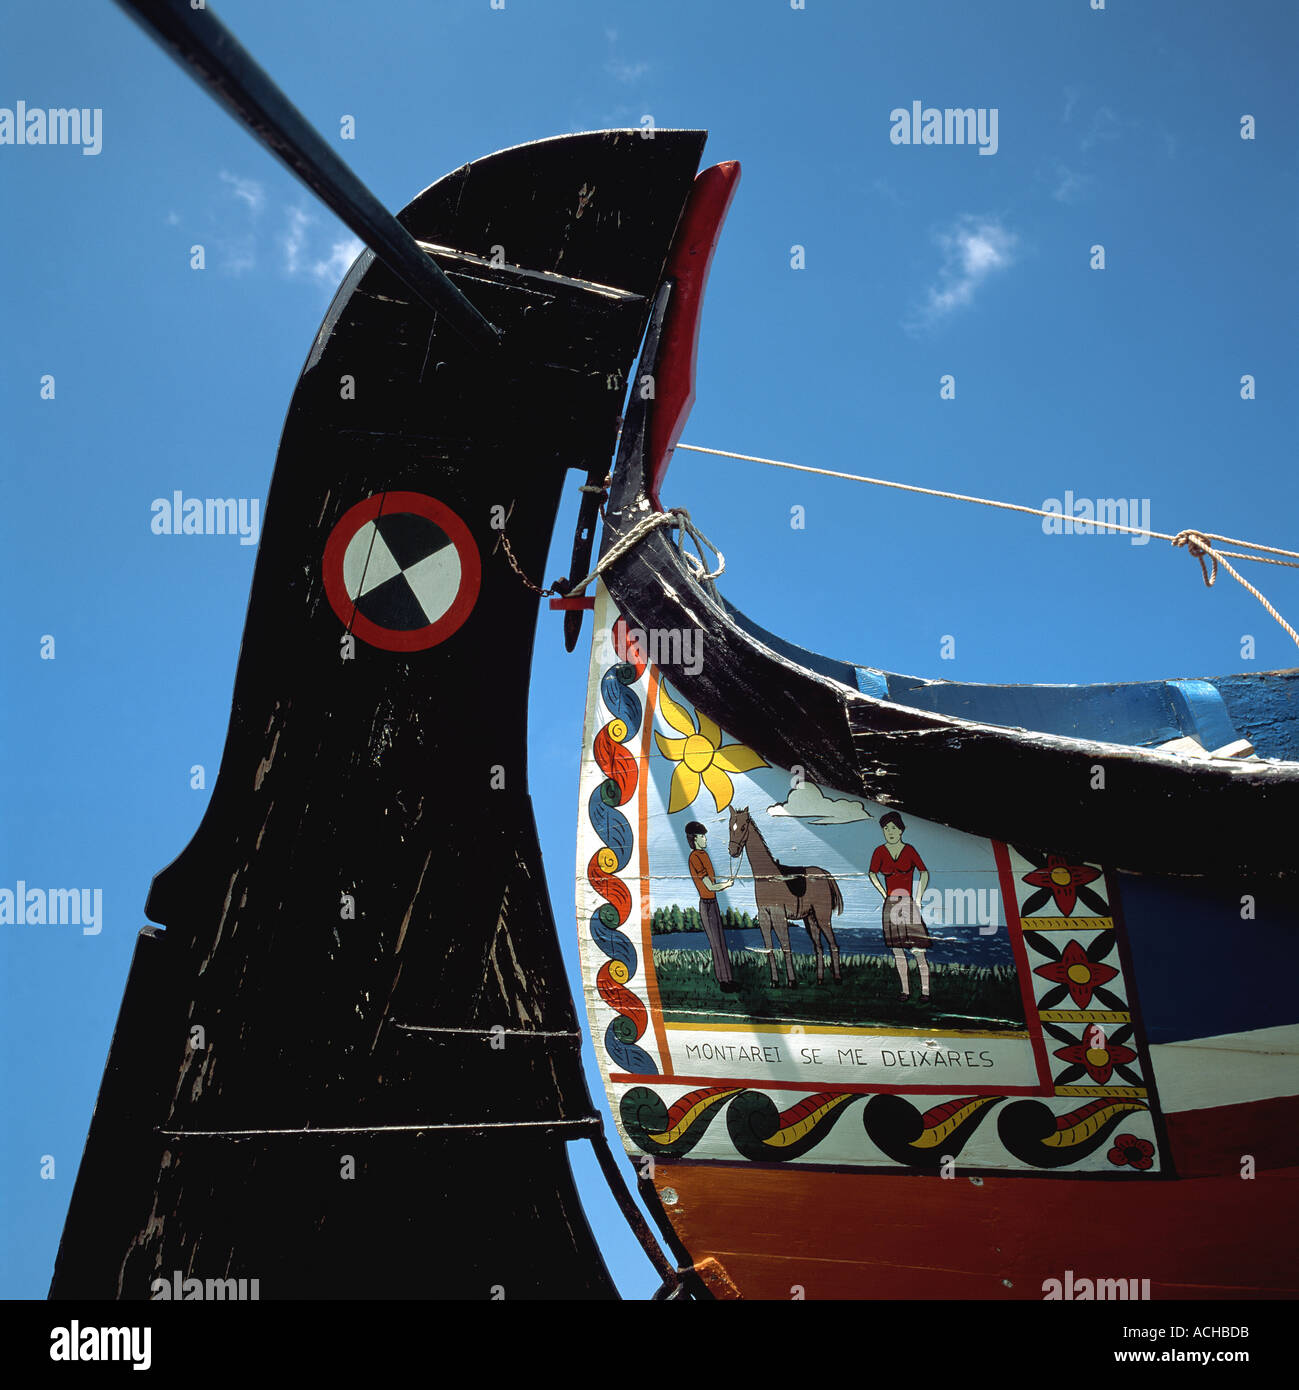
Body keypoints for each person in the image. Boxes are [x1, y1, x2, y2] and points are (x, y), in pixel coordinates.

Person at [868, 812, 931, 1003]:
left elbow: (924, 872)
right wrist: (883, 893)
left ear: (901, 830)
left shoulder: (909, 850)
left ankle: (926, 992)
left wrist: (918, 898)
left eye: (893, 828)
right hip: (891, 903)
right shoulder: (879, 851)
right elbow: (872, 873)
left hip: (908, 902)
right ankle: (905, 991)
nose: (890, 832)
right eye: (886, 829)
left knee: (919, 950)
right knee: (897, 951)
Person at [686, 821, 738, 991]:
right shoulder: (695, 857)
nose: (705, 839)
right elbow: (709, 886)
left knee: (721, 942)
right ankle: (723, 981)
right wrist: (726, 885)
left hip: (713, 903)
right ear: (694, 839)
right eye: (702, 836)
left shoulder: (704, 855)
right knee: (716, 943)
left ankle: (729, 979)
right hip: (707, 905)